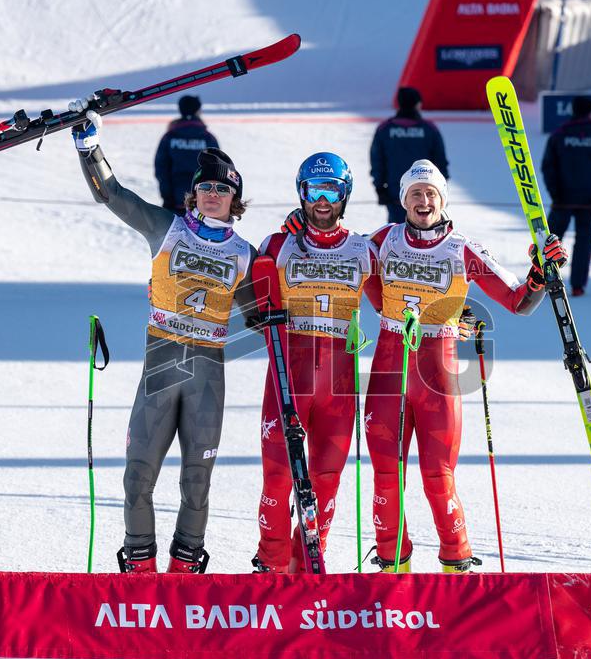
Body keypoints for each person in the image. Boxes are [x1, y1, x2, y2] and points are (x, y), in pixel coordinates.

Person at [69, 99, 257, 574]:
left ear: (235, 200)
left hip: (208, 373)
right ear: (193, 195)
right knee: (138, 478)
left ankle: (184, 572)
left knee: (197, 482)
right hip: (163, 363)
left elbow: (264, 316)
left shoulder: (246, 254)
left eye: (222, 188)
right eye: (204, 187)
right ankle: (140, 570)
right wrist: (89, 146)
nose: (212, 193)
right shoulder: (165, 228)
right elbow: (111, 194)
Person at [364, 160, 566, 573]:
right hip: (389, 371)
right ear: (403, 200)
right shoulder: (381, 240)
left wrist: (540, 272)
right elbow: (339, 263)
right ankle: (391, 565)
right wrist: (299, 223)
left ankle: (455, 565)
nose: (424, 201)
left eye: (431, 194)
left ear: (442, 200)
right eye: (415, 193)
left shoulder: (461, 248)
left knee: (438, 478)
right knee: (386, 476)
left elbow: (518, 301)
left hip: (437, 374)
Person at [251, 153, 380, 573]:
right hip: (289, 378)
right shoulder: (277, 244)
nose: (322, 201)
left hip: (339, 385)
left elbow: (397, 302)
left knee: (328, 481)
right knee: (278, 478)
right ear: (301, 194)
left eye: (332, 192)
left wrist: (451, 318)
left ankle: (305, 564)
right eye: (313, 191)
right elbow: (250, 298)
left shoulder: (365, 249)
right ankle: (270, 565)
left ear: (346, 195)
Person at [540, 96, 591, 297]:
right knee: (583, 242)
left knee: (551, 244)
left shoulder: (560, 134)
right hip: (588, 202)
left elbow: (548, 167)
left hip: (562, 202)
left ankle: (545, 281)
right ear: (590, 112)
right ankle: (578, 286)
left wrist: (555, 194)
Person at [370, 87, 449, 224]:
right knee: (428, 233)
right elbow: (440, 161)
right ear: (418, 104)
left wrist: (379, 187)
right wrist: (441, 188)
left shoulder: (385, 129)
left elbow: (377, 160)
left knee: (397, 236)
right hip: (428, 194)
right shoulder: (429, 129)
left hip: (395, 194)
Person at [154, 95, 220, 215]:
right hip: (203, 204)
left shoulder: (169, 137)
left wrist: (167, 198)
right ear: (197, 110)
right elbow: (218, 171)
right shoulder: (208, 138)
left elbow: (161, 170)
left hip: (175, 202)